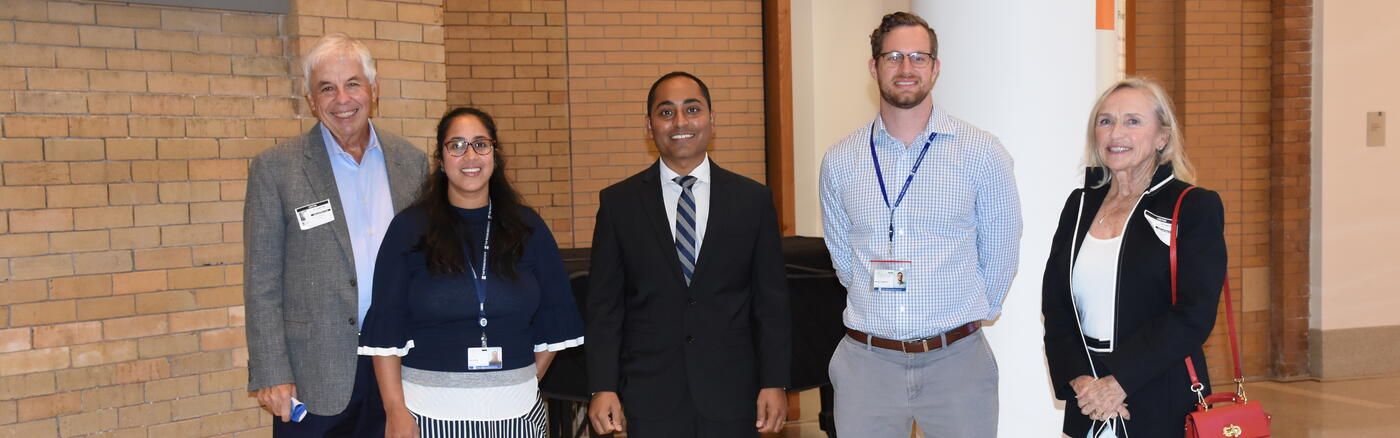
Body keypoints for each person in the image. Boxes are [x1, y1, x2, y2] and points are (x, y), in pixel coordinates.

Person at [818, 11, 1022, 436]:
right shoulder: (840, 160)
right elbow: (843, 258)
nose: (906, 68)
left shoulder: (981, 153)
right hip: (867, 366)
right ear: (874, 66)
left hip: (957, 363)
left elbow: (1002, 249)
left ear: (936, 67)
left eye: (918, 57)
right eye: (893, 56)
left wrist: (965, 315)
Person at [585, 71, 792, 437]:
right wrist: (603, 386)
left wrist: (775, 381)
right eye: (666, 113)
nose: (680, 122)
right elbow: (605, 307)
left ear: (712, 119)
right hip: (650, 396)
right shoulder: (618, 204)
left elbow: (771, 302)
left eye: (692, 109)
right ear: (649, 126)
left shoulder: (752, 201)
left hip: (733, 394)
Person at [357, 107, 584, 437]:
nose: (470, 155)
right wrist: (395, 410)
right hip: (428, 418)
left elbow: (557, 314)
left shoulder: (527, 228)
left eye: (481, 144)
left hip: (517, 418)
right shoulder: (408, 229)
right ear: (442, 157)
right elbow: (387, 330)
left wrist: (521, 380)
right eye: (457, 145)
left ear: (494, 153)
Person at [243, 32, 428, 436]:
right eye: (327, 88)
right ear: (311, 100)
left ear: (374, 90)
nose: (341, 100)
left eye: (352, 84)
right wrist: (271, 371)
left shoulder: (411, 164)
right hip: (315, 376)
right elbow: (262, 281)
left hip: (400, 369)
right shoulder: (276, 170)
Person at [1042, 77, 1226, 437]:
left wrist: (1119, 381)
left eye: (1133, 121)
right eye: (1105, 121)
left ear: (1162, 137)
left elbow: (1194, 314)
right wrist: (1082, 381)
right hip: (1090, 401)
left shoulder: (1192, 207)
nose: (1116, 133)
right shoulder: (1079, 206)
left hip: (1161, 394)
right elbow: (1056, 306)